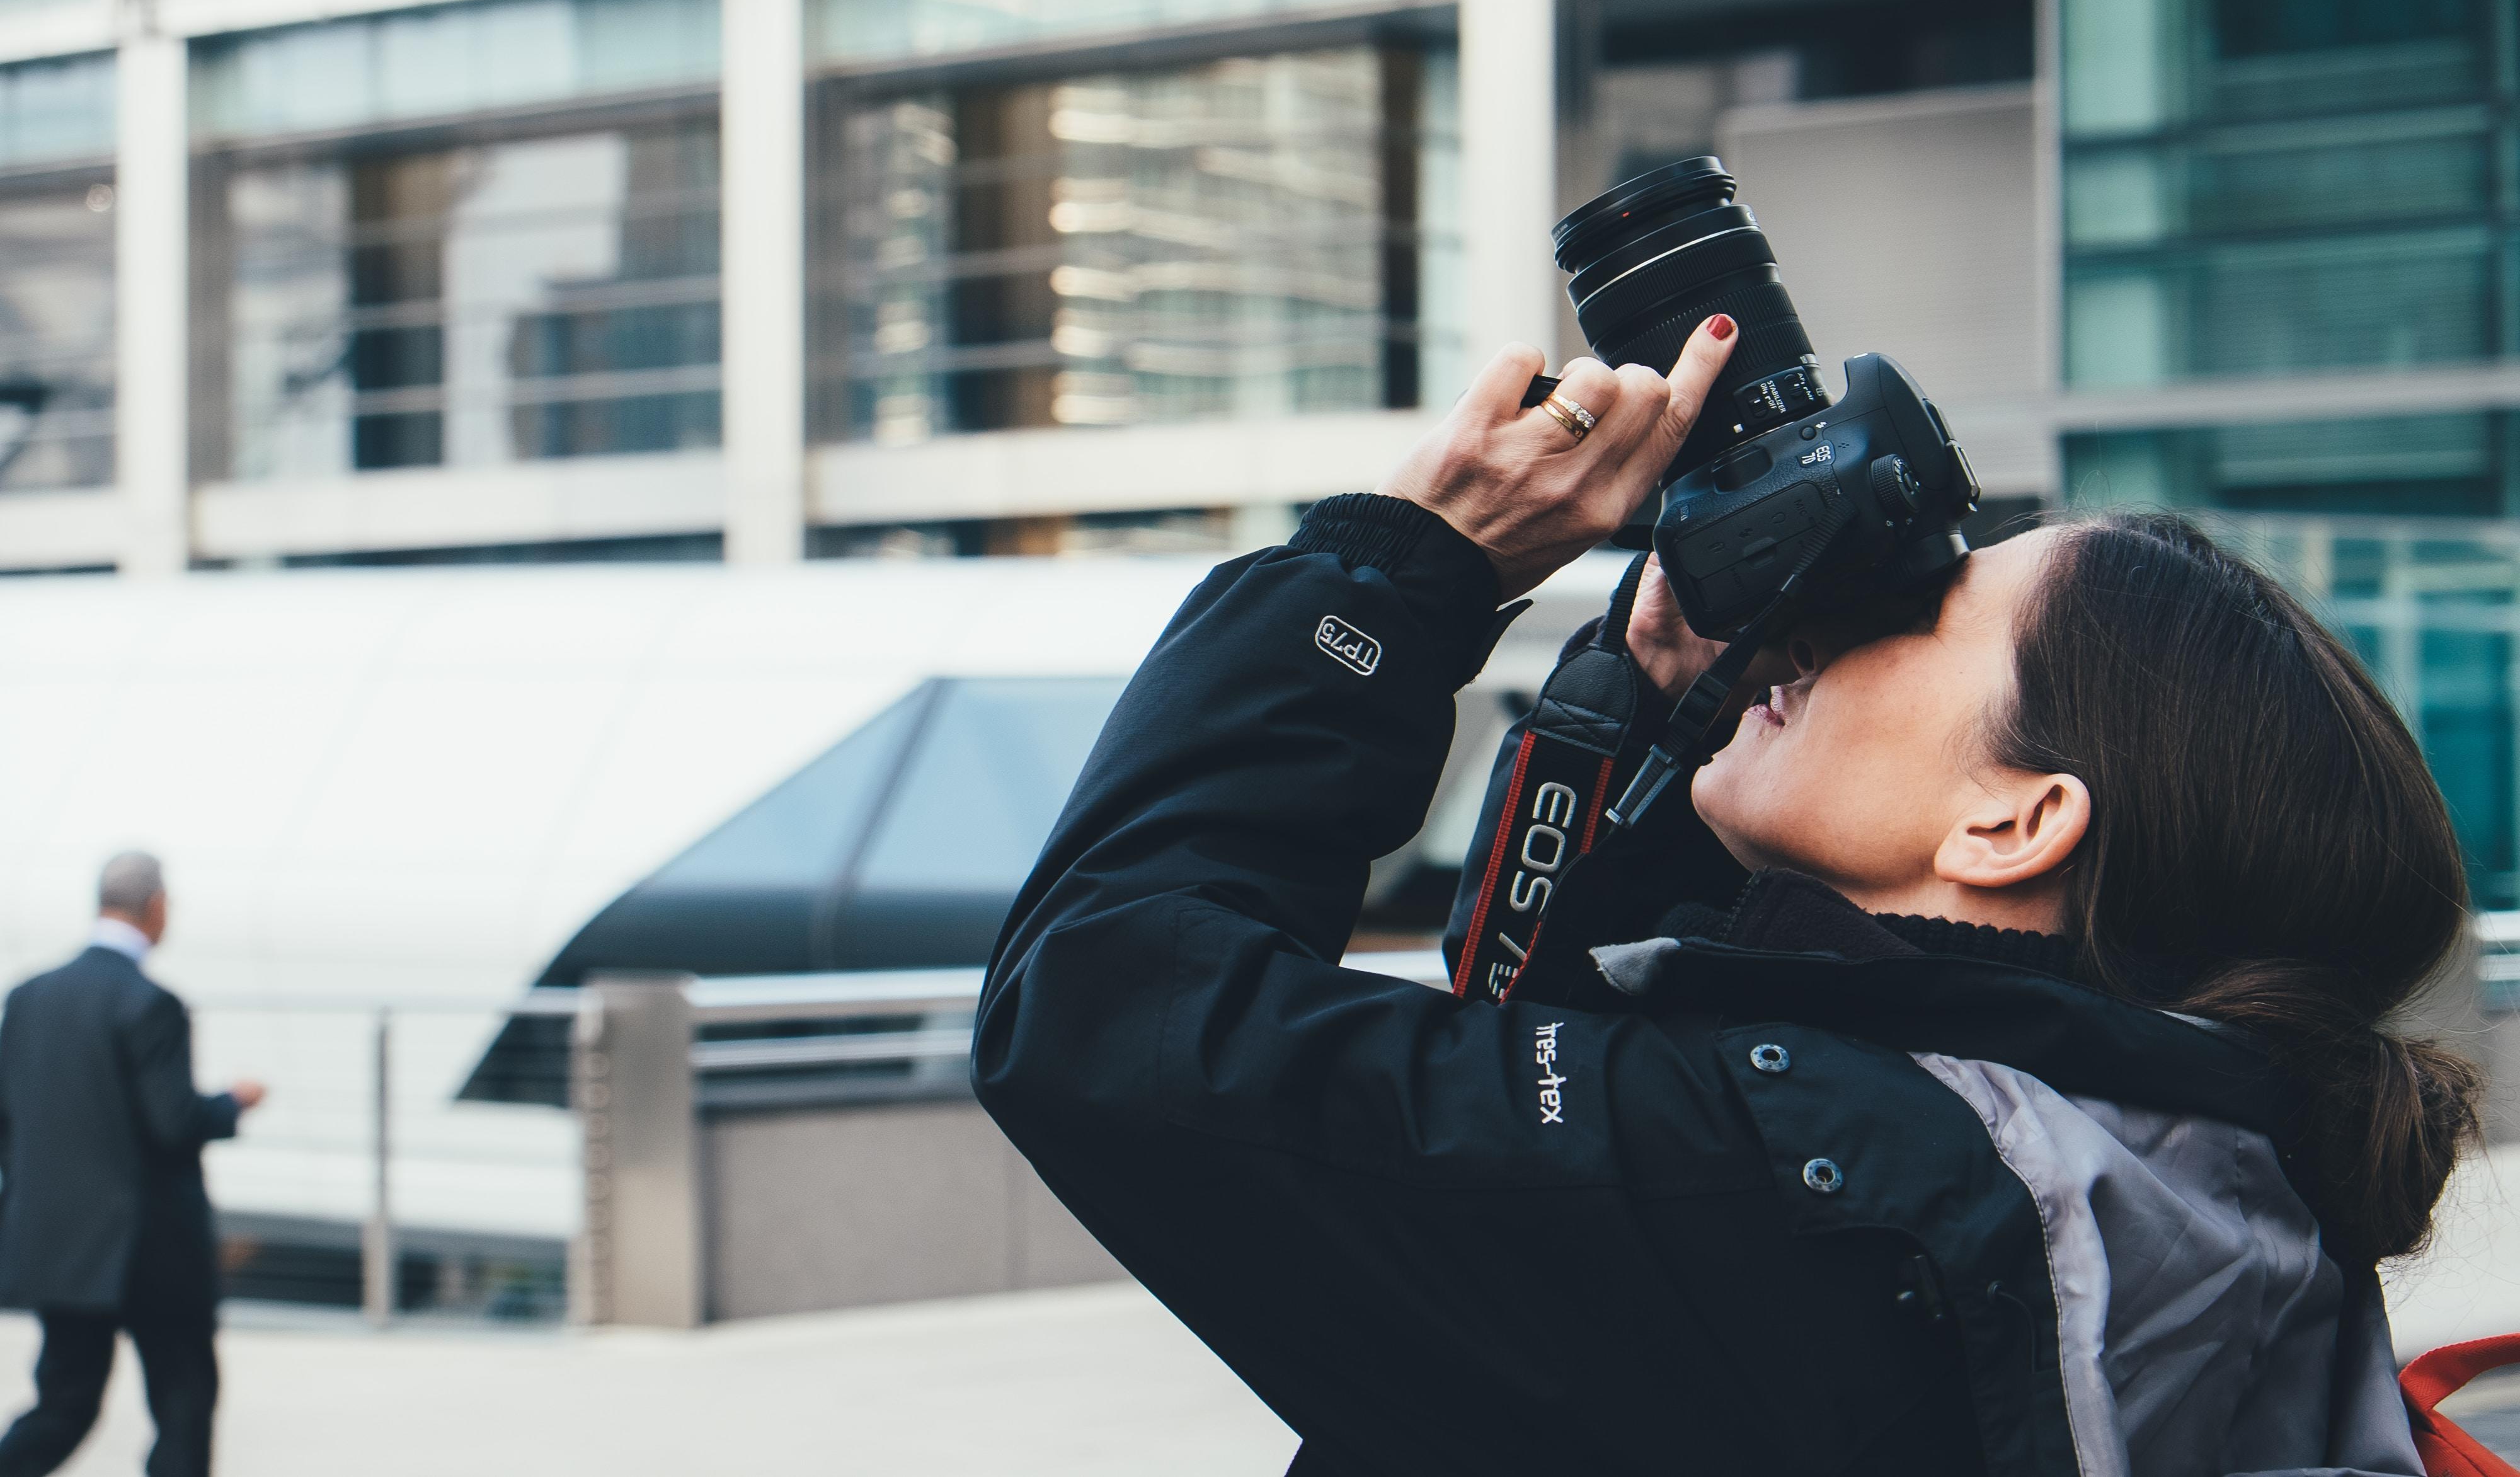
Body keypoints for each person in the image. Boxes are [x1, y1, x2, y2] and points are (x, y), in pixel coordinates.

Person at [975, 319, 2475, 1476]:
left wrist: (1398, 569)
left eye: (1937, 607)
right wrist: (1670, 708)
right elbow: (1602, 1077)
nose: (1854, 621)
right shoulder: (2179, 1181)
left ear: (2013, 819)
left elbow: (1102, 1009)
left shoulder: (1816, 1190)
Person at [0, 852, 265, 1477]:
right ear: (155, 907)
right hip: (153, 1251)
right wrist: (232, 1103)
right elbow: (174, 1124)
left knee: (65, 1405)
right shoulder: (151, 1004)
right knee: (183, 1404)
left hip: (63, 1245)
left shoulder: (29, 997)